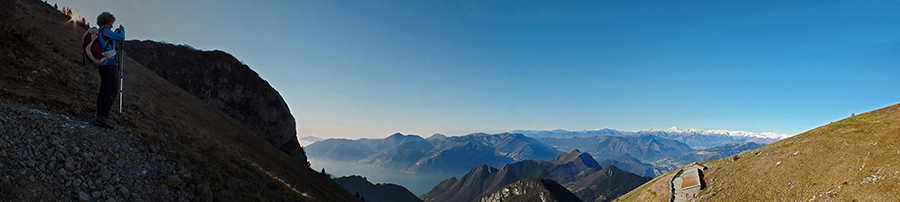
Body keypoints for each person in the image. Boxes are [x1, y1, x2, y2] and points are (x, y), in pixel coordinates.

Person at [94, 12, 124, 128]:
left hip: (103, 65)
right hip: (110, 65)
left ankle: (100, 115)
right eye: (111, 23)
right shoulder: (105, 31)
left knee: (104, 90)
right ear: (106, 22)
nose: (112, 26)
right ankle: (103, 117)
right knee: (112, 90)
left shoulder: (100, 32)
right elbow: (121, 38)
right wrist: (122, 30)